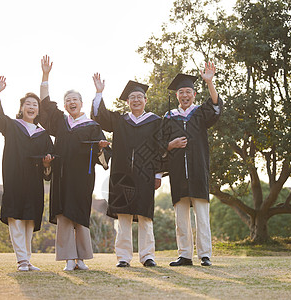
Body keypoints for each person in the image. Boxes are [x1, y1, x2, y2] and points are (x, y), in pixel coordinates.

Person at [39, 55, 110, 271]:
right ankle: (69, 258)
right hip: (61, 175)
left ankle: (81, 258)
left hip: (82, 178)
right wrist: (45, 75)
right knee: (64, 215)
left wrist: (101, 148)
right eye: (68, 100)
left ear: (81, 103)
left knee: (80, 214)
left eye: (75, 100)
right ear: (65, 104)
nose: (71, 103)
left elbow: (104, 155)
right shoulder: (60, 121)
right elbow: (45, 105)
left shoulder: (91, 125)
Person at [0, 76, 54, 272]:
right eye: (28, 104)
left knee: (29, 220)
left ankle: (27, 260)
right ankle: (21, 260)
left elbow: (51, 159)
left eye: (35, 105)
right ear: (22, 109)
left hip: (34, 181)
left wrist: (47, 163)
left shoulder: (43, 134)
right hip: (14, 179)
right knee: (16, 219)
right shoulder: (11, 126)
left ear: (38, 110)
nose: (31, 107)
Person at [91, 75, 164, 267]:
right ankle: (123, 257)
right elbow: (101, 117)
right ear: (127, 101)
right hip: (122, 174)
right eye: (132, 97)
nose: (136, 100)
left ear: (145, 100)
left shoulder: (155, 122)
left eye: (140, 96)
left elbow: (159, 148)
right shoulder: (119, 120)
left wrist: (157, 174)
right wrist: (99, 93)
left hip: (145, 174)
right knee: (123, 216)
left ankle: (148, 256)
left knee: (144, 216)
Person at [162, 62, 222, 266]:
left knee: (202, 216)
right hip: (178, 172)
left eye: (188, 91)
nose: (184, 95)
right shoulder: (169, 117)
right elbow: (160, 144)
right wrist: (170, 145)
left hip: (198, 171)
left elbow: (215, 107)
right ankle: (185, 254)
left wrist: (209, 82)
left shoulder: (200, 113)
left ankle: (205, 255)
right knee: (181, 217)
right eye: (181, 92)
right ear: (177, 95)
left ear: (194, 94)